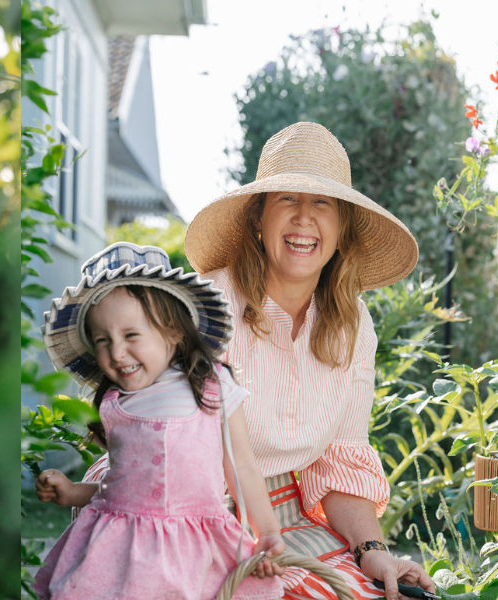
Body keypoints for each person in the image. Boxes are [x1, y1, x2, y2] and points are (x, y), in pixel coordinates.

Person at [172, 121, 433, 600]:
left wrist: (371, 547)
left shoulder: (354, 324)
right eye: (287, 199)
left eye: (322, 204)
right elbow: (172, 451)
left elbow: (339, 457)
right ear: (258, 217)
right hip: (185, 504)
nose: (304, 219)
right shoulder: (209, 307)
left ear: (341, 228)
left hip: (283, 510)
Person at [33, 242, 284, 599]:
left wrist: (267, 531)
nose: (117, 353)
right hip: (120, 552)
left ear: (173, 331)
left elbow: (242, 466)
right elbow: (122, 490)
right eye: (102, 340)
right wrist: (73, 492)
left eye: (131, 335)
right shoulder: (115, 403)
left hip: (194, 548)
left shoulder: (212, 387)